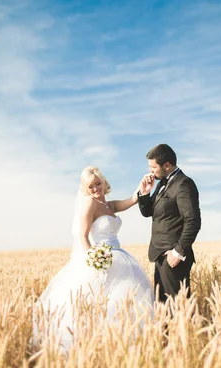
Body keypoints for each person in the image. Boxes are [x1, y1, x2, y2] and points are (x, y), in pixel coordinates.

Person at [33, 166, 154, 351]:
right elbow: (83, 235)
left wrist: (143, 187)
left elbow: (132, 200)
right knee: (100, 302)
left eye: (98, 183)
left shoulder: (110, 205)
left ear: (104, 183)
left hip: (120, 256)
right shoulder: (90, 204)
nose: (96, 189)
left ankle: (126, 341)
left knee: (125, 299)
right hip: (100, 257)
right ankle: (96, 344)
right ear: (86, 190)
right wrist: (94, 260)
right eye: (91, 187)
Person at [138, 144, 201, 302]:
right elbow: (148, 212)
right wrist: (145, 192)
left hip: (173, 259)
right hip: (160, 256)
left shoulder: (183, 184)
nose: (151, 171)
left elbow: (193, 220)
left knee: (177, 310)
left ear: (166, 165)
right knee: (164, 308)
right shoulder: (161, 184)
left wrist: (177, 252)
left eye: (153, 167)